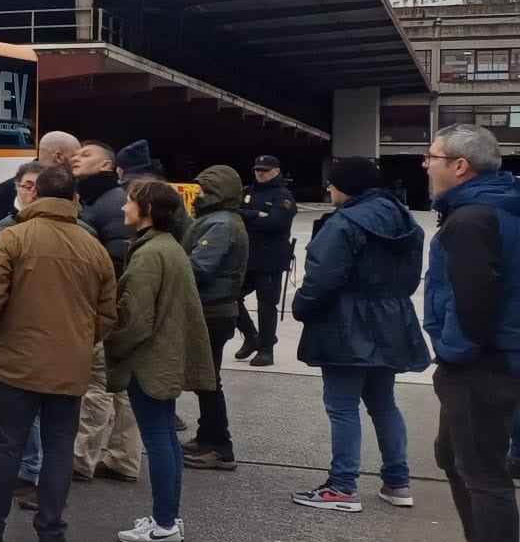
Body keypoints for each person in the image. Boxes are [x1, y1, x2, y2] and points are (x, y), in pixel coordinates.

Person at [0, 165, 117, 542]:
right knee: (60, 448)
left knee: (7, 445)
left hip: (19, 362)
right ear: (74, 199)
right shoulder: (93, 246)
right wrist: (80, 341)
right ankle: (51, 532)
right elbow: (107, 314)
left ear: (35, 194)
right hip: (71, 365)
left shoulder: (13, 238)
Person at [419, 123, 520, 542]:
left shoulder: (474, 218)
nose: (425, 163)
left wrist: (454, 352)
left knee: (482, 469)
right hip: (489, 358)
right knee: (455, 455)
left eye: (432, 156)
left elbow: (473, 300)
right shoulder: (487, 209)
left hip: (482, 362)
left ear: (460, 166)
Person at [289, 156, 428, 512]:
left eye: (332, 183)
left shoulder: (344, 223)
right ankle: (398, 482)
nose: (329, 189)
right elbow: (413, 277)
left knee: (342, 405)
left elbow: (322, 278)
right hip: (392, 317)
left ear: (345, 186)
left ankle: (342, 486)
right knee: (384, 404)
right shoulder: (405, 219)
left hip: (346, 321)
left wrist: (302, 306)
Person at [105, 179, 216, 542]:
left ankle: (164, 524)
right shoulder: (167, 247)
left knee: (159, 440)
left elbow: (134, 319)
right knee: (166, 438)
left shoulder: (149, 254)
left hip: (149, 360)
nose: (123, 208)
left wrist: (111, 344)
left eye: (130, 202)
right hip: (164, 355)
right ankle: (167, 517)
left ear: (148, 211)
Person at [70, 142, 141, 483]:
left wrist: (96, 303)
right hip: (109, 308)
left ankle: (80, 459)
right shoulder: (101, 199)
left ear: (106, 165)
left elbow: (117, 262)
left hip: (105, 309)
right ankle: (123, 459)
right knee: (120, 387)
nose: (76, 158)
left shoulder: (110, 203)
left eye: (85, 155)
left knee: (96, 384)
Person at [181, 166, 251, 471]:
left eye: (205, 191)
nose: (198, 196)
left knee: (208, 382)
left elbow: (199, 268)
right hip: (216, 309)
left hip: (212, 311)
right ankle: (206, 435)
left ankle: (221, 446)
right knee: (205, 380)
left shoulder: (220, 224)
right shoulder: (219, 220)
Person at [0, 161, 49, 509]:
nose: (27, 192)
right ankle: (29, 471)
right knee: (24, 413)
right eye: (23, 185)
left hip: (43, 331)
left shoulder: (76, 228)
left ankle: (34, 473)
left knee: (40, 411)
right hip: (16, 328)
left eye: (34, 186)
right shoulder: (7, 225)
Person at [235, 154, 299, 366]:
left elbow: (275, 223)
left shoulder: (283, 195)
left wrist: (248, 216)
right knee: (229, 296)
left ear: (276, 170)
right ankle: (251, 336)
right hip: (247, 257)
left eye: (265, 170)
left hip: (270, 259)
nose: (260, 173)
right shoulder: (247, 191)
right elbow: (234, 214)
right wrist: (257, 215)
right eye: (257, 170)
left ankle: (267, 348)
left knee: (266, 305)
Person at [0, 131, 79, 265]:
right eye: (75, 156)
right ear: (59, 157)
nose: (79, 161)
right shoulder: (8, 189)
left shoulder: (73, 185)